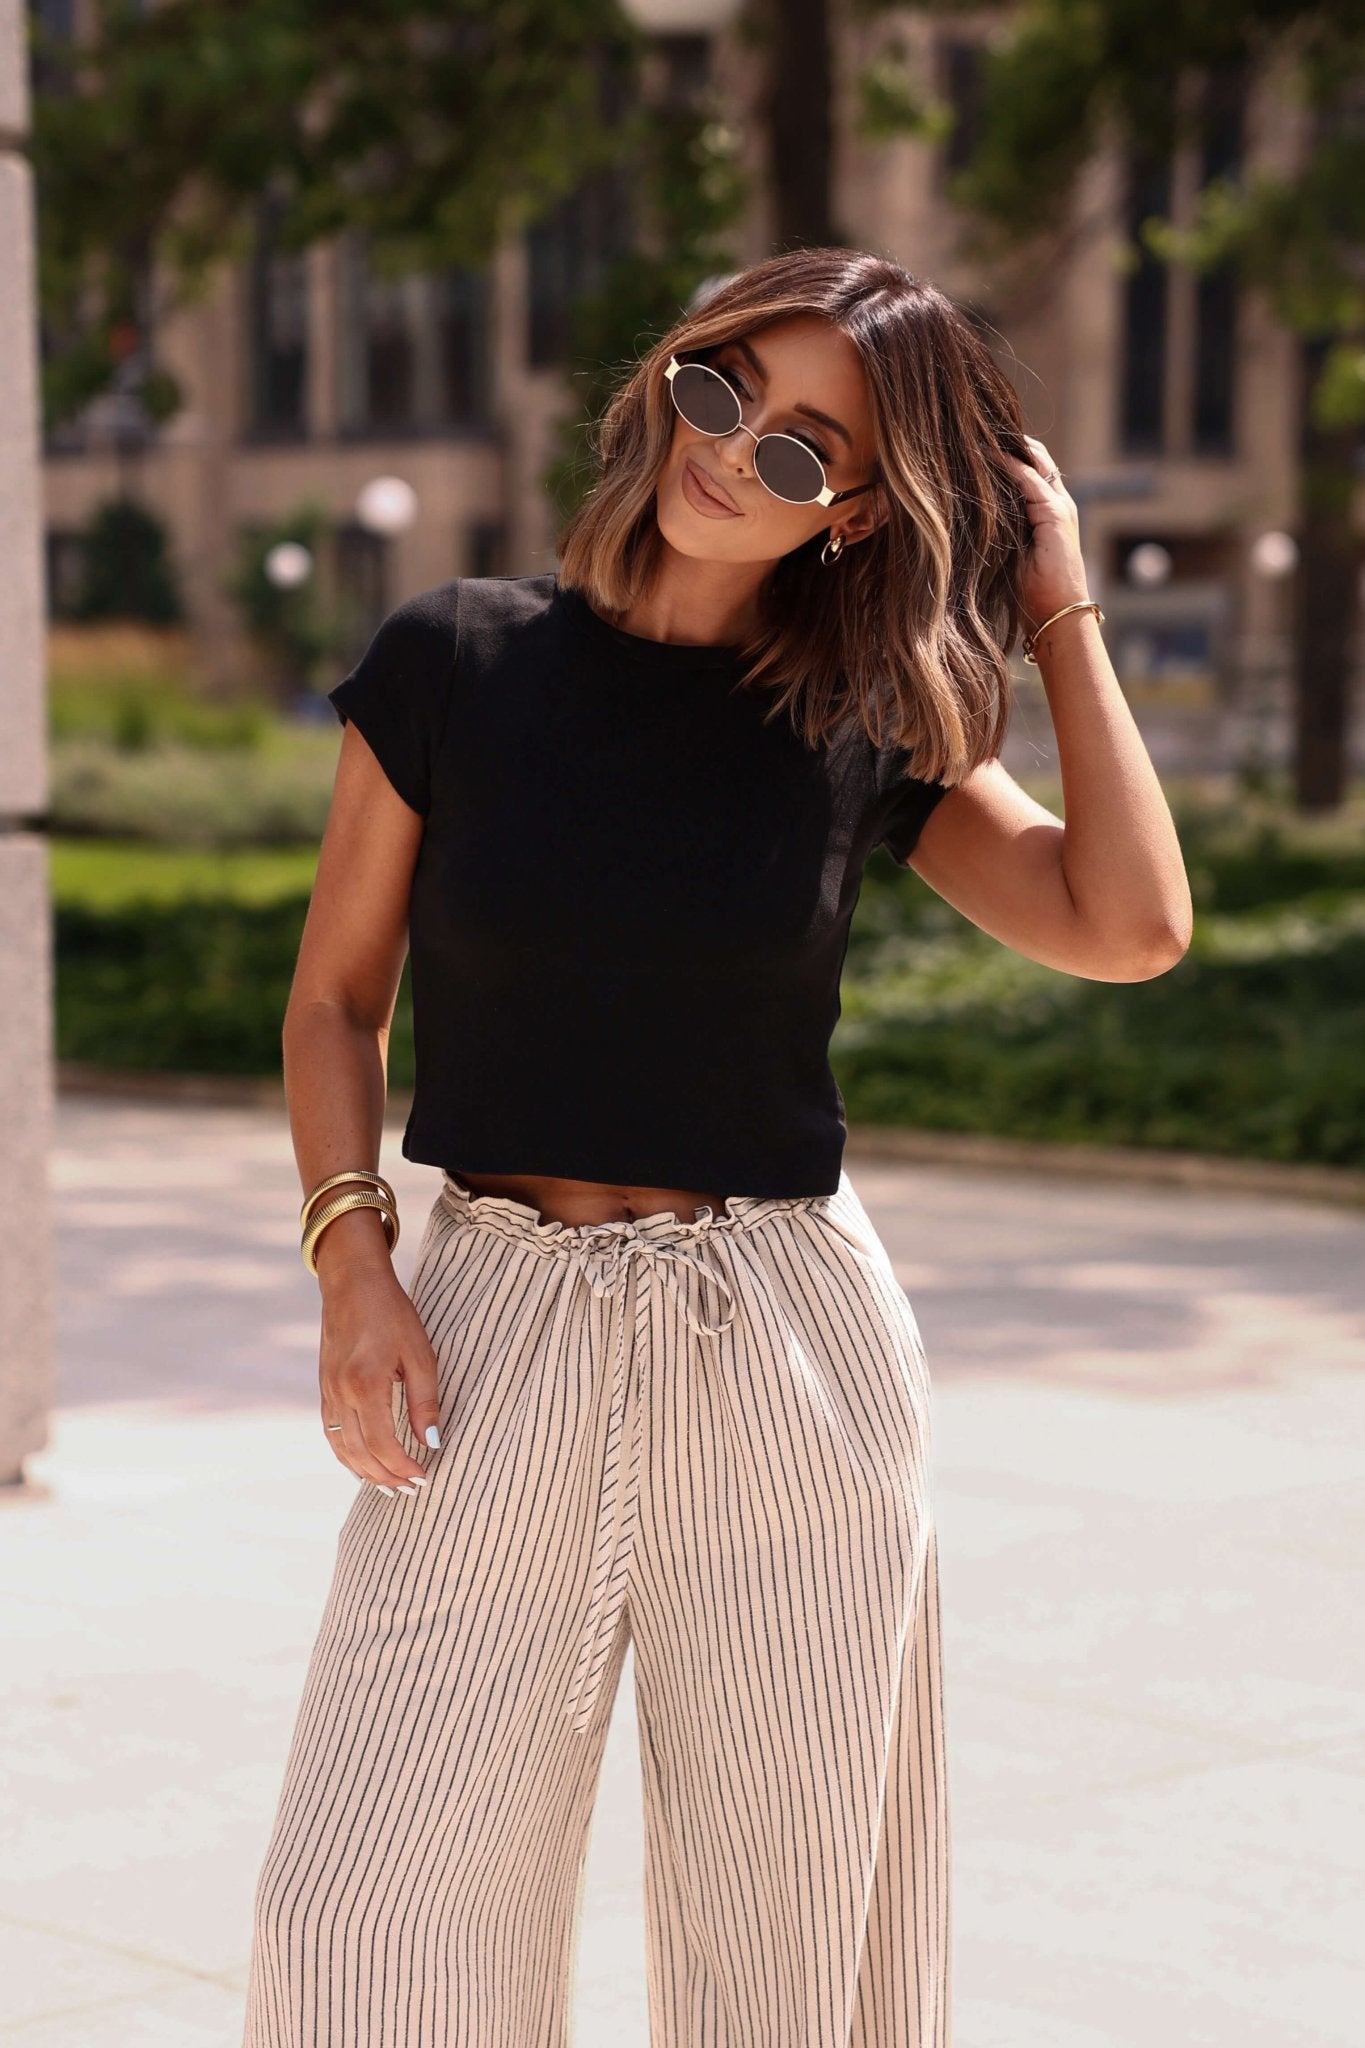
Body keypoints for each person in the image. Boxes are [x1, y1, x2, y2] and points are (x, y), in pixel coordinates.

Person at [241, 246, 1191, 2048]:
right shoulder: (456, 659)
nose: (732, 451)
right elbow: (333, 1002)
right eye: (721, 389)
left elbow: (1128, 925)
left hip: (782, 1347)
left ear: (855, 513)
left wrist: (1057, 600)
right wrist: (353, 1266)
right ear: (671, 371)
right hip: (493, 1327)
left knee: (786, 1946)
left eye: (803, 450)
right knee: (362, 1918)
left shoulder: (862, 722)